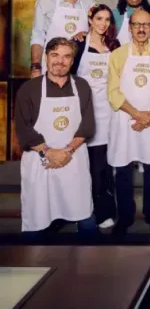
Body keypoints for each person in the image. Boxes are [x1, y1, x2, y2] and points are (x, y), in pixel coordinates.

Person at [16, 37, 97, 238]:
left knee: (84, 216)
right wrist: (49, 152)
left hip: (73, 159)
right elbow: (24, 129)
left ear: (72, 61)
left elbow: (87, 126)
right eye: (55, 55)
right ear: (46, 57)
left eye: (66, 56)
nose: (60, 61)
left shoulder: (82, 86)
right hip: (41, 162)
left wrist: (66, 152)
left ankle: (89, 255)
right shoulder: (29, 89)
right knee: (37, 217)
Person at [107, 9, 150, 236]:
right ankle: (125, 217)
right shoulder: (118, 55)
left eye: (146, 25)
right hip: (125, 120)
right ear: (130, 27)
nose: (141, 29)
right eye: (136, 24)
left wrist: (149, 116)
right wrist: (138, 114)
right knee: (123, 170)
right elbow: (113, 92)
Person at [71, 5, 120, 229]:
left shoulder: (114, 45)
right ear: (90, 19)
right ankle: (82, 210)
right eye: (99, 18)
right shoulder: (79, 45)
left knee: (104, 165)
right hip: (84, 111)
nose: (103, 24)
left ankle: (104, 211)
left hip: (109, 112)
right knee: (87, 164)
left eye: (107, 20)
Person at [30, 0, 95, 78]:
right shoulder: (44, 3)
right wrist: (35, 67)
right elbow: (37, 36)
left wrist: (87, 34)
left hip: (80, 67)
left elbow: (98, 36)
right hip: (52, 65)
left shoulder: (90, 5)